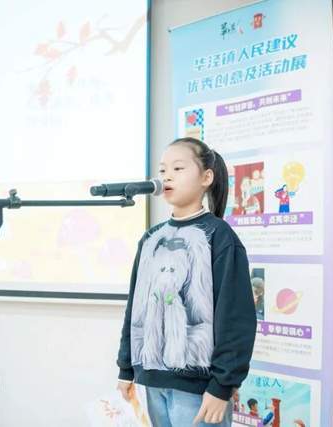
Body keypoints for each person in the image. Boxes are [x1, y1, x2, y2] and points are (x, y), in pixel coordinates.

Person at [116, 137, 257, 427]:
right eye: (163, 170)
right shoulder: (151, 239)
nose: (167, 176)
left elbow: (235, 317)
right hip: (151, 381)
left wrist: (222, 385)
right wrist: (126, 368)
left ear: (206, 178)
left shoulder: (219, 237)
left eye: (178, 168)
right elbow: (136, 307)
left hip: (199, 388)